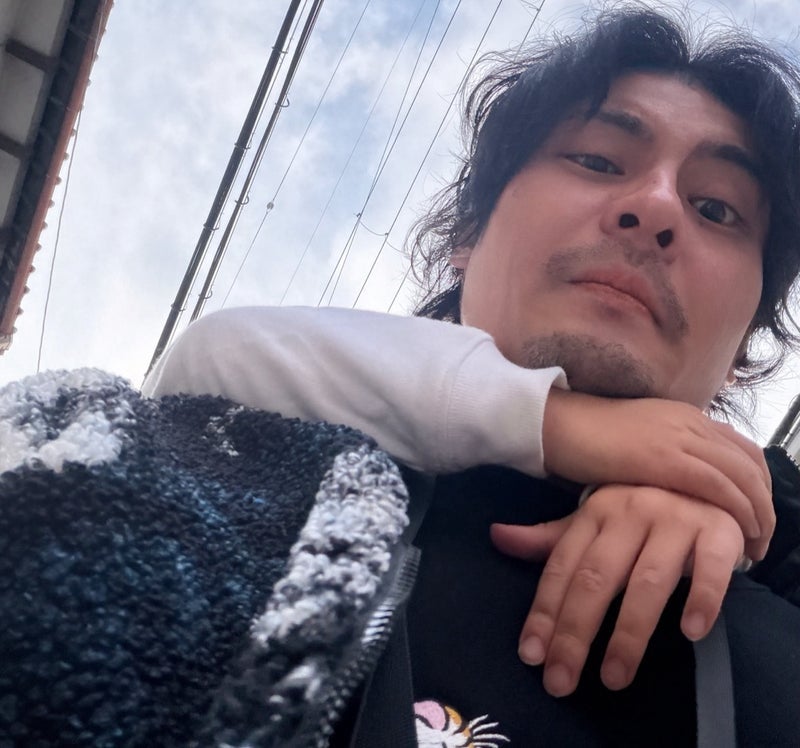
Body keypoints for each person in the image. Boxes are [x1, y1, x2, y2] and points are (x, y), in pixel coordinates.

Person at [144, 7, 800, 745]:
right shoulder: (267, 485)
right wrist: (562, 424)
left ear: (744, 349)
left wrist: (723, 502)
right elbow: (210, 362)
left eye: (715, 208)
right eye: (597, 161)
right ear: (464, 237)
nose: (654, 207)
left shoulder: (780, 578)